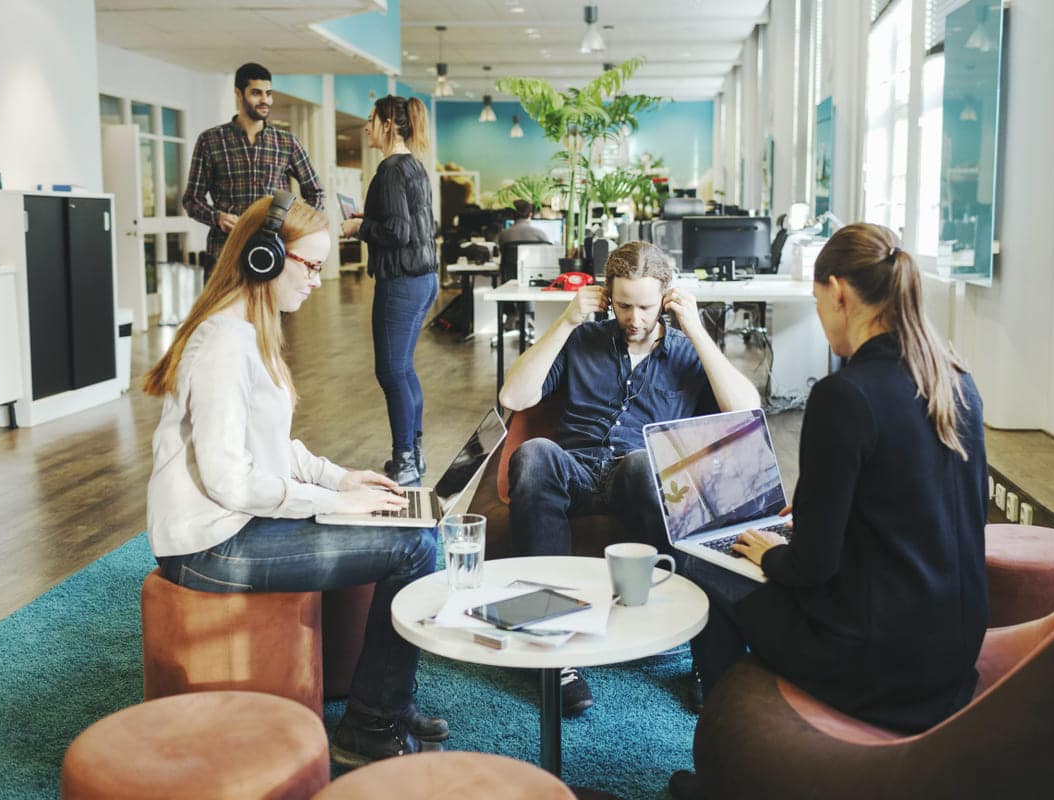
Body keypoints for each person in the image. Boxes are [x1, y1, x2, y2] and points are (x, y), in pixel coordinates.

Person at [669, 222, 988, 799]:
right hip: (952, 653)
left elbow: (811, 567)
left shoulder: (846, 395)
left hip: (872, 661)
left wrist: (775, 554)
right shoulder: (955, 380)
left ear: (839, 292)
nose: (821, 317)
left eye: (819, 303)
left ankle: (729, 772)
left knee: (703, 561)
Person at [144, 193, 445, 768]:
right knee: (412, 545)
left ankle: (384, 706)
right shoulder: (225, 345)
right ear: (263, 257)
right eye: (310, 266)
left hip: (234, 524)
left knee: (407, 529)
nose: (317, 281)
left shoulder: (249, 328)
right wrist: (334, 501)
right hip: (209, 544)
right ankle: (371, 726)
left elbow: (275, 447)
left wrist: (343, 478)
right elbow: (231, 480)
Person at [498, 240, 762, 715]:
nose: (634, 319)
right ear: (606, 297)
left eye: (645, 306)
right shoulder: (582, 339)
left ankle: (690, 640)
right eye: (623, 305)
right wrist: (566, 320)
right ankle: (553, 647)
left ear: (666, 298)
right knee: (535, 453)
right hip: (573, 469)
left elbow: (746, 413)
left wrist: (697, 330)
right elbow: (515, 396)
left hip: (640, 478)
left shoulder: (684, 352)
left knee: (646, 461)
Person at [341, 95, 438, 487]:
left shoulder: (391, 170)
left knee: (391, 370)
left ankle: (406, 462)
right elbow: (407, 224)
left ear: (387, 124)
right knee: (404, 369)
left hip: (401, 282)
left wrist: (357, 228)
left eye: (371, 119)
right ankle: (413, 454)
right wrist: (370, 219)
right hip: (423, 279)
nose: (366, 127)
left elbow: (398, 234)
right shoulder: (413, 167)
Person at [183, 62, 325, 265]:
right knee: (224, 299)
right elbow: (191, 200)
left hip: (273, 249)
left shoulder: (286, 142)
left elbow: (316, 193)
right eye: (256, 93)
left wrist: (293, 225)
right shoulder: (211, 140)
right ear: (238, 93)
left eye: (268, 93)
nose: (265, 100)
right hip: (225, 251)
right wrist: (217, 217)